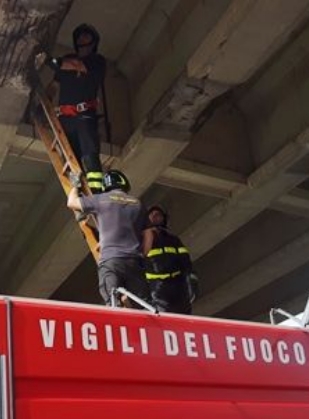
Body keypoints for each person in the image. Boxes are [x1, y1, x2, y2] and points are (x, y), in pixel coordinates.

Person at [67, 169, 154, 309]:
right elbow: (149, 235)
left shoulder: (101, 199)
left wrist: (75, 186)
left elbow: (71, 202)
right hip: (134, 262)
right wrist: (142, 254)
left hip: (111, 261)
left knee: (113, 303)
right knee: (142, 306)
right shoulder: (138, 203)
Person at [43, 23, 107, 193]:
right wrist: (44, 103)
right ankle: (77, 192)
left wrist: (51, 61)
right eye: (80, 35)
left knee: (89, 155)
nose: (82, 38)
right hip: (66, 119)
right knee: (71, 158)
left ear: (94, 41)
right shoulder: (67, 60)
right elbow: (54, 85)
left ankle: (96, 192)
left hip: (84, 117)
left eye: (87, 35)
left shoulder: (97, 61)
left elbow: (77, 65)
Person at [142, 205, 200, 314]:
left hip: (178, 284)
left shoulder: (173, 239)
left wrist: (191, 278)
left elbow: (185, 260)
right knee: (162, 317)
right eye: (153, 215)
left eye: (159, 215)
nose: (156, 217)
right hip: (157, 287)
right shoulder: (144, 238)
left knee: (184, 316)